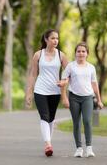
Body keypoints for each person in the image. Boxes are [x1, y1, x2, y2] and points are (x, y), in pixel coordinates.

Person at [25, 29, 68, 157]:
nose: (55, 41)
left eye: (57, 38)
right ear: (46, 39)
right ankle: (48, 144)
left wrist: (64, 82)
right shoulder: (38, 55)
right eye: (53, 38)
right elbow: (33, 74)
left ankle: (48, 142)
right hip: (40, 89)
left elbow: (69, 72)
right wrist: (29, 92)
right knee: (44, 115)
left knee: (51, 118)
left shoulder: (61, 55)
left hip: (55, 90)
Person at [60, 42, 103, 158]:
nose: (81, 53)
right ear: (75, 53)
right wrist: (64, 98)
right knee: (76, 122)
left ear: (87, 54)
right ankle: (79, 148)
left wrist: (99, 100)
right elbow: (64, 81)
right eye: (78, 51)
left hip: (88, 97)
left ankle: (89, 148)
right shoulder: (70, 66)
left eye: (83, 51)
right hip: (74, 97)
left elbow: (95, 85)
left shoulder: (91, 68)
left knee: (88, 121)